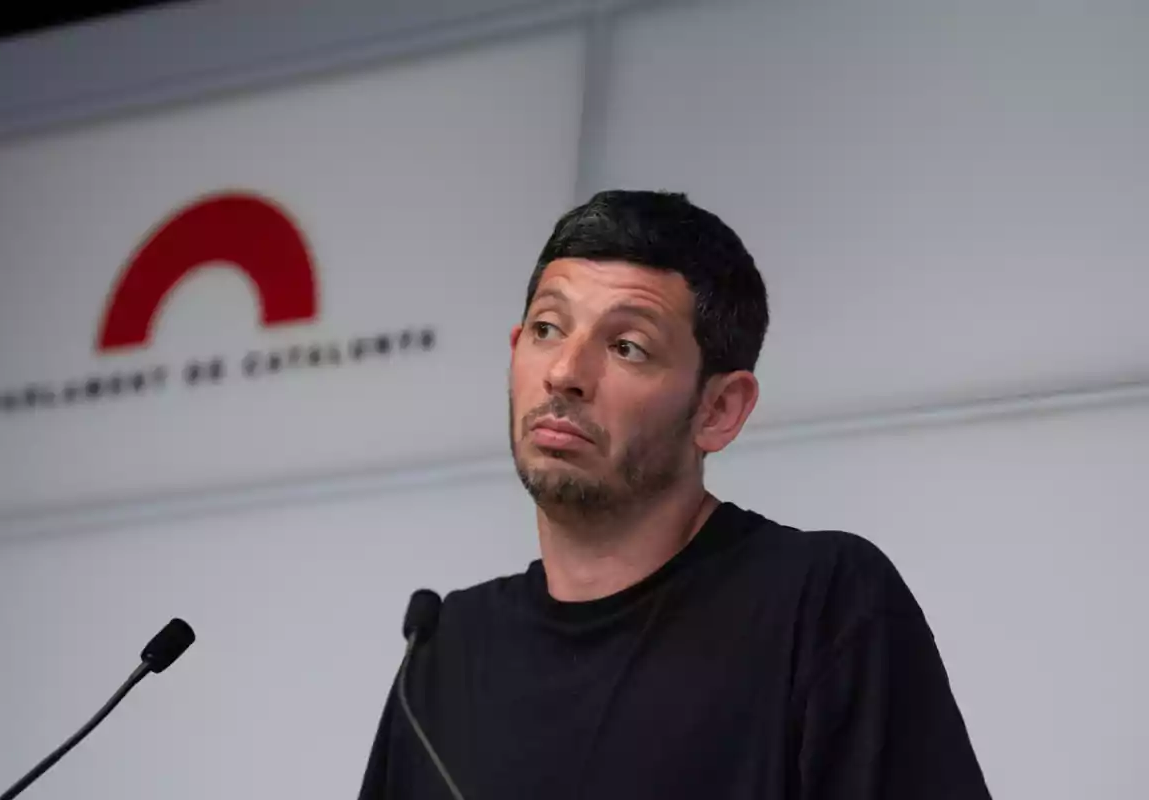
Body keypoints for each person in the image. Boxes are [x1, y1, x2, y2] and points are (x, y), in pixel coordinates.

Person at [358, 190, 991, 799]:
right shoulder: (446, 652)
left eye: (627, 346)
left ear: (719, 409)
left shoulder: (820, 602)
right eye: (548, 329)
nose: (565, 373)